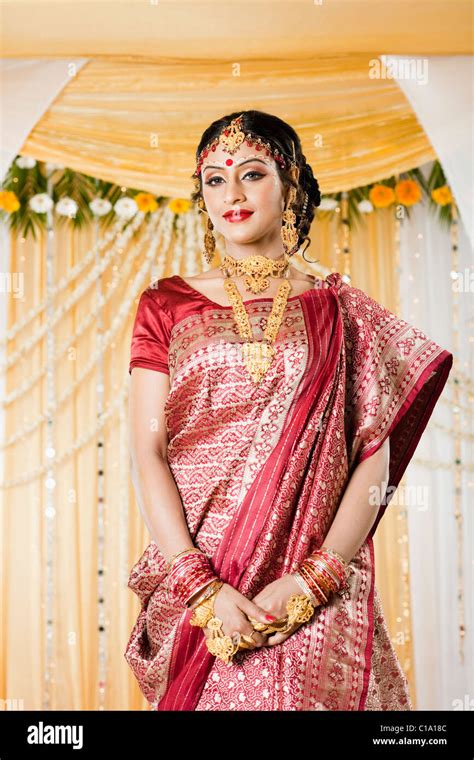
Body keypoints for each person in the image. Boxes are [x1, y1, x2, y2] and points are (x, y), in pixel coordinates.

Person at [124, 110, 453, 711]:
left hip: (310, 584)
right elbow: (147, 451)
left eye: (252, 174)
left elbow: (373, 455)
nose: (233, 194)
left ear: (291, 184)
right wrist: (200, 586)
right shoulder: (164, 304)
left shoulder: (342, 309)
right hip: (203, 578)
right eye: (215, 180)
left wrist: (314, 579)